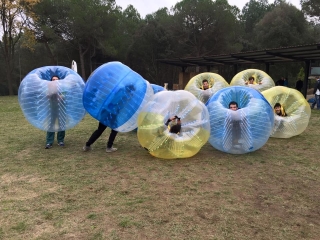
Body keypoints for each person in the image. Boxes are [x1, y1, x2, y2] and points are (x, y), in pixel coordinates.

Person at [45, 75, 66, 149]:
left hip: (61, 109)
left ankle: (60, 141)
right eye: (53, 79)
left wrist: (57, 94)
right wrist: (51, 93)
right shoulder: (48, 88)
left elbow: (63, 97)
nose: (55, 81)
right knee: (51, 125)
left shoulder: (63, 88)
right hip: (51, 110)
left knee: (61, 125)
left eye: (56, 80)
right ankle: (49, 142)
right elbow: (46, 96)